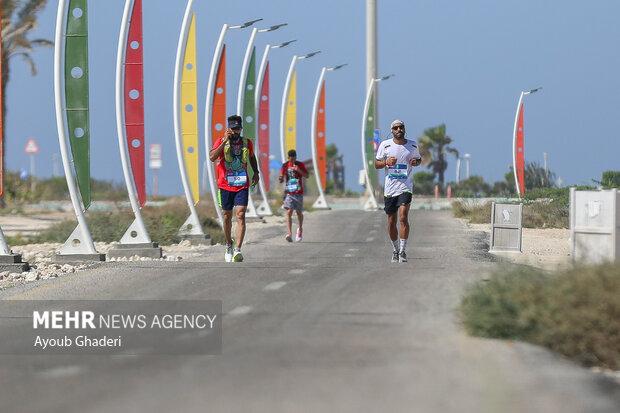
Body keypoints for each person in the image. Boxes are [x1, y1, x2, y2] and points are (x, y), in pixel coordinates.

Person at [209, 115, 260, 262]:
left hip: (242, 184)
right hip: (225, 184)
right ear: (228, 128)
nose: (235, 131)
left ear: (241, 128)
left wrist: (255, 172)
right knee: (226, 216)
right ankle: (228, 244)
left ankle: (238, 249)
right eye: (233, 129)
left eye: (238, 128)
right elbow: (212, 157)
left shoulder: (246, 143)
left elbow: (251, 157)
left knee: (241, 214)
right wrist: (225, 141)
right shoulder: (221, 141)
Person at [374, 119, 422, 263]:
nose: (399, 130)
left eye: (401, 127)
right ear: (392, 131)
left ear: (404, 129)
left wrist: (416, 162)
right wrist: (386, 162)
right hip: (390, 188)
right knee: (391, 221)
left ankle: (402, 251)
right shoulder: (385, 145)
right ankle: (395, 250)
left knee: (403, 217)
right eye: (396, 128)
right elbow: (377, 164)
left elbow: (418, 160)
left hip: (405, 187)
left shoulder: (412, 145)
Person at [279, 149, 309, 242]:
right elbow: (281, 176)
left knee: (299, 212)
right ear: (288, 158)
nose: (292, 161)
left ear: (296, 157)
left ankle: (300, 229)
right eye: (291, 159)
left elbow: (307, 175)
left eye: (294, 158)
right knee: (289, 212)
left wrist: (298, 170)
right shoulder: (285, 165)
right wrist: (280, 178)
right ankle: (289, 233)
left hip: (298, 192)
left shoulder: (300, 165)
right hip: (289, 192)